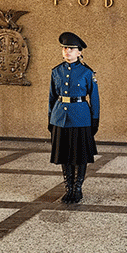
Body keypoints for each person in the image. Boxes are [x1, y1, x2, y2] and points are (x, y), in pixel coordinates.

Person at [48, 32, 100, 204]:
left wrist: (95, 119)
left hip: (81, 118)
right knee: (64, 155)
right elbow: (52, 97)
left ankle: (77, 188)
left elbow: (94, 98)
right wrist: (50, 118)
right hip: (60, 117)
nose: (67, 51)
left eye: (71, 49)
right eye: (65, 48)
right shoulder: (56, 71)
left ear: (79, 52)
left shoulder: (87, 72)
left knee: (80, 155)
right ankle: (68, 187)